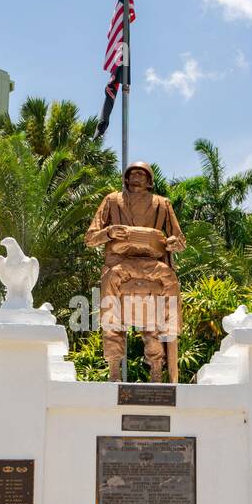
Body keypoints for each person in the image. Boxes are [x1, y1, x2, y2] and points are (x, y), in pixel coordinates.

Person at [85, 162, 186, 382]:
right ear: (126, 178)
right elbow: (90, 239)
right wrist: (109, 233)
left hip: (152, 264)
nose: (137, 176)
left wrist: (172, 243)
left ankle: (167, 339)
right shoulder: (112, 201)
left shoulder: (163, 204)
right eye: (133, 173)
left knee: (169, 280)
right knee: (111, 287)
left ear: (149, 180)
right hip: (121, 263)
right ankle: (114, 369)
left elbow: (180, 240)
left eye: (142, 173)